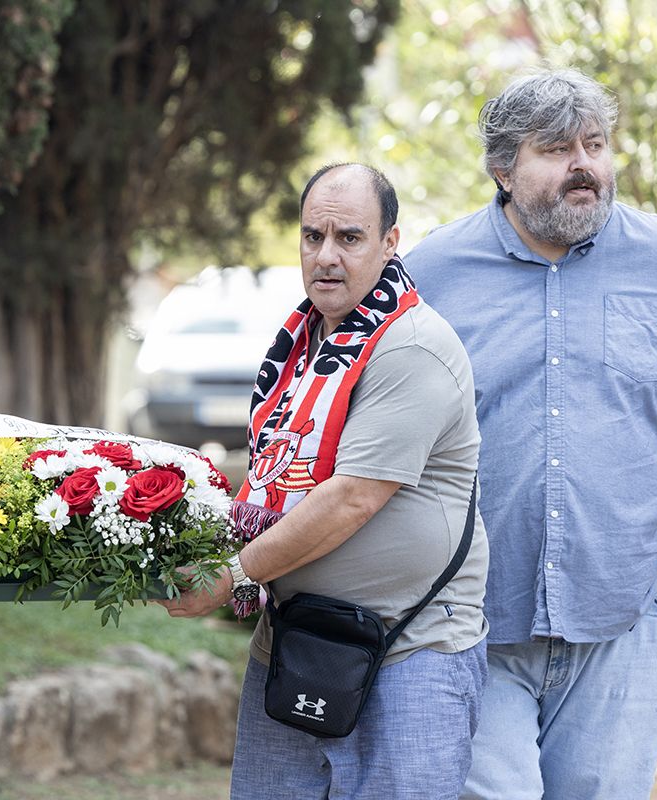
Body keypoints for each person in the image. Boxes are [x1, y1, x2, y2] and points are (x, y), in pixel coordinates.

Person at [404, 68, 657, 799]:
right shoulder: (427, 277)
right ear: (503, 169)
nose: (584, 166)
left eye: (595, 145)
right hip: (468, 617)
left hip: (626, 612)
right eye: (557, 148)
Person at [162, 163, 489, 799]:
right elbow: (273, 478)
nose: (327, 257)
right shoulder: (302, 345)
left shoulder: (410, 347)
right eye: (313, 237)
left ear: (391, 242)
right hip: (292, 640)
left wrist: (235, 575)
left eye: (350, 238)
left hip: (407, 649)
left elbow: (351, 498)